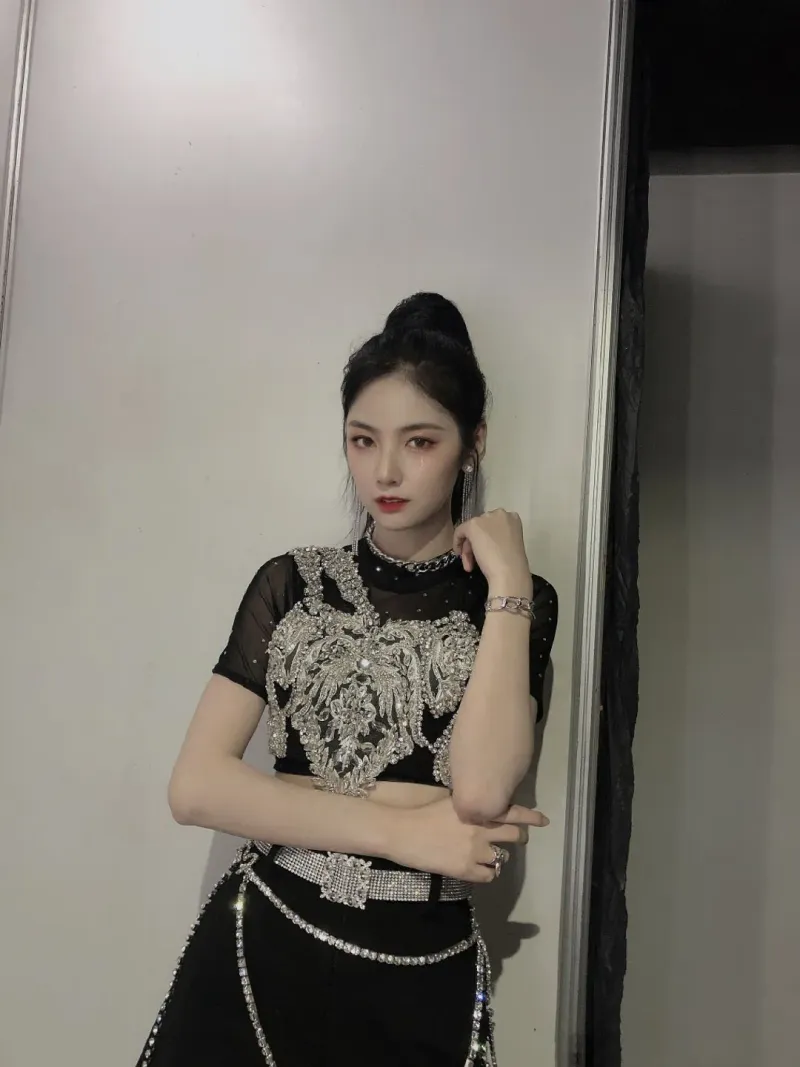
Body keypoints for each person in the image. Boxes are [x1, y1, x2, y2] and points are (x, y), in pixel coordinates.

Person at [135, 293, 558, 1067]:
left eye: (419, 441)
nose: (384, 471)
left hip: (422, 969)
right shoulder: (291, 583)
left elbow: (480, 794)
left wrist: (510, 584)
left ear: (473, 444)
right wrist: (405, 827)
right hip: (260, 945)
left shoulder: (514, 602)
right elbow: (195, 787)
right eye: (363, 441)